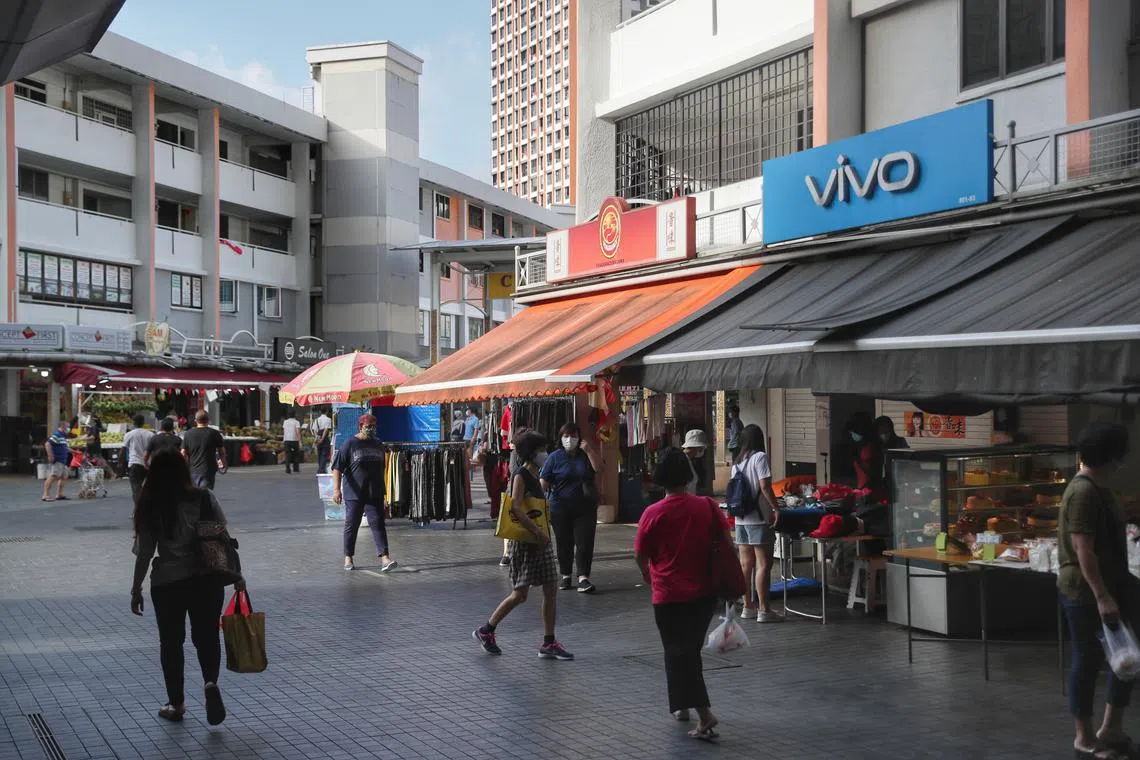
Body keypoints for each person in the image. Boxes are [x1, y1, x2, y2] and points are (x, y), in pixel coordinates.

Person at [130, 449, 234, 725]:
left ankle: (176, 704)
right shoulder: (204, 497)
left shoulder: (150, 503)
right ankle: (210, 683)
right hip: (206, 579)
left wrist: (136, 588)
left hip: (168, 583)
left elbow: (144, 553)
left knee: (171, 643)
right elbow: (222, 533)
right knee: (207, 636)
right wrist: (237, 575)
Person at [1058, 422, 1133, 759]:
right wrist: (1102, 596)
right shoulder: (1083, 492)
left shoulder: (1102, 488)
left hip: (1112, 585)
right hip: (1084, 592)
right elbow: (1083, 550)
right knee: (1087, 662)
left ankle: (1111, 727)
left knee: (1126, 658)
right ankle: (1084, 737)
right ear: (1112, 457)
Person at [635, 447, 721, 741]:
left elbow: (640, 554)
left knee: (678, 653)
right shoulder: (707, 507)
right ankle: (682, 706)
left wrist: (647, 575)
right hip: (704, 593)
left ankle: (704, 714)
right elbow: (723, 543)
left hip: (668, 594)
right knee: (686, 652)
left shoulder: (652, 513)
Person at [473, 431, 573, 660]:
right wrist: (536, 531)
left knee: (550, 587)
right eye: (541, 449)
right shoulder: (521, 475)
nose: (545, 453)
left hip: (540, 540)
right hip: (527, 542)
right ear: (531, 452)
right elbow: (515, 507)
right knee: (520, 594)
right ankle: (486, 630)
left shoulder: (535, 474)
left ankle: (549, 641)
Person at [540, 422, 603, 594]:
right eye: (566, 436)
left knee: (584, 542)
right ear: (561, 438)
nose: (569, 439)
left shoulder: (585, 455)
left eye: (573, 436)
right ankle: (566, 575)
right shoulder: (554, 457)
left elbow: (599, 469)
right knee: (564, 542)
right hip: (559, 507)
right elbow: (544, 482)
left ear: (579, 437)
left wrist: (589, 451)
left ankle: (583, 577)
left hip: (585, 507)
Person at [332, 413, 397, 572]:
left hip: (374, 492)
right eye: (368, 426)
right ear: (360, 427)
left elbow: (382, 470)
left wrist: (384, 494)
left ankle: (385, 558)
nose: (371, 429)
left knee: (378, 524)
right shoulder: (350, 444)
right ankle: (348, 557)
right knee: (352, 525)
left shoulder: (378, 444)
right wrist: (336, 490)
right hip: (354, 493)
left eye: (374, 426)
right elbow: (337, 468)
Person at [733, 424, 783, 622]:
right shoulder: (760, 457)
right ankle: (764, 610)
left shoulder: (737, 462)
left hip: (740, 519)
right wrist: (776, 508)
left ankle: (747, 607)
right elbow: (765, 486)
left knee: (745, 565)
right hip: (759, 518)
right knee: (763, 564)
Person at [181, 410, 227, 490]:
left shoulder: (188, 434)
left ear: (195, 420)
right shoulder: (214, 433)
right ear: (208, 420)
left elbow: (183, 453)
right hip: (208, 470)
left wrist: (183, 467)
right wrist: (222, 462)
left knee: (194, 493)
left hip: (193, 470)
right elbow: (222, 452)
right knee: (206, 493)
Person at [846, 412, 884, 493]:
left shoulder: (871, 447)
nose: (852, 435)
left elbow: (873, 474)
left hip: (870, 491)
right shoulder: (859, 446)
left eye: (853, 432)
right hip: (863, 490)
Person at [123, 414, 155, 502]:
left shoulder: (129, 434)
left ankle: (138, 507)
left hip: (135, 464)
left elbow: (123, 449)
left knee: (136, 488)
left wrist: (120, 463)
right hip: (147, 464)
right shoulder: (150, 434)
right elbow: (154, 450)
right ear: (143, 422)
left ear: (133, 423)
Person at [41, 421, 72, 502]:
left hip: (63, 461)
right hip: (58, 460)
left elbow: (65, 447)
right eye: (67, 426)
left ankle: (59, 494)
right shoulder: (57, 435)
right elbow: (47, 444)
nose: (69, 428)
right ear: (62, 426)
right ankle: (45, 495)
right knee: (53, 476)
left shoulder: (63, 436)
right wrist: (50, 456)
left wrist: (74, 451)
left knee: (63, 476)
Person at [681, 429, 709, 496]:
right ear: (698, 447)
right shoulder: (681, 461)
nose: (703, 450)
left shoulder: (688, 459)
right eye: (703, 447)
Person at [312, 409, 333, 474]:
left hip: (318, 437)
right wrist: (322, 438)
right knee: (324, 454)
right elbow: (326, 430)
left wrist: (317, 437)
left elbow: (314, 430)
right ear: (326, 411)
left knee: (319, 454)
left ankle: (321, 469)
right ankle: (321, 470)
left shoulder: (317, 420)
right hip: (325, 438)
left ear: (320, 412)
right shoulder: (328, 419)